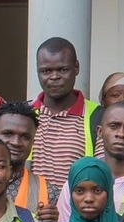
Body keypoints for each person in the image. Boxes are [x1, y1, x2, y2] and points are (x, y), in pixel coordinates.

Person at [25, 37, 92, 197]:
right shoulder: (22, 115)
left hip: (75, 217)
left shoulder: (96, 116)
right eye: (46, 71)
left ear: (76, 67)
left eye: (62, 69)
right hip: (28, 215)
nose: (54, 77)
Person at [0, 103, 57, 222]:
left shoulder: (50, 194)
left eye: (25, 137)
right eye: (8, 134)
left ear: (33, 142)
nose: (16, 142)